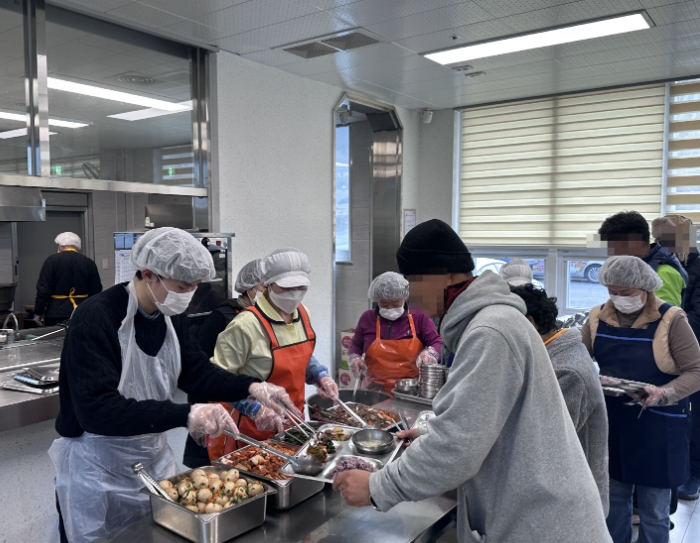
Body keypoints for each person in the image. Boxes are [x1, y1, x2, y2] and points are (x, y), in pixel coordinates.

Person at [333, 219, 611, 543]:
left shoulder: (490, 331)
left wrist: (377, 487)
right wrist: (430, 433)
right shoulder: (495, 322)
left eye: (413, 281)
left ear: (443, 274)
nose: (412, 295)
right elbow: (488, 421)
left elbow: (458, 447)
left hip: (547, 526)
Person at [48, 228, 297, 543]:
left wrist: (251, 389)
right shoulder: (96, 317)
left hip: (151, 459)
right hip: (98, 468)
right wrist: (186, 414)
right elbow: (96, 410)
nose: (188, 295)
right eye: (181, 287)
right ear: (148, 274)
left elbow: (194, 371)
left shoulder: (170, 314)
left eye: (194, 286)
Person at [580, 255, 700, 543]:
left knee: (654, 509)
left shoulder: (671, 320)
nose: (619, 299)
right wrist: (592, 378)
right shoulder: (596, 318)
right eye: (613, 292)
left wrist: (665, 393)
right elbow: (579, 361)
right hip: (614, 424)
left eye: (626, 292)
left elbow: (696, 370)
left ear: (645, 287)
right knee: (613, 501)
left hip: (659, 426)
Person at [209, 248, 339, 455]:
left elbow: (300, 357)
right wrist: (253, 408)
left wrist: (319, 374)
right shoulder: (245, 325)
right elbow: (217, 380)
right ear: (267, 283)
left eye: (301, 287)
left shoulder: (303, 314)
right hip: (254, 432)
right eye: (287, 287)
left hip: (295, 424)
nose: (295, 293)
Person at [510, 283, 609, 514]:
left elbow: (543, 443)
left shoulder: (566, 371)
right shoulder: (551, 354)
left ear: (530, 323)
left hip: (573, 503)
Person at [652, 214, 700, 501]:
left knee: (696, 413)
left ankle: (694, 471)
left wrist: (667, 332)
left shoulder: (697, 265)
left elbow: (696, 315)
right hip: (663, 350)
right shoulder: (657, 262)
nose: (661, 243)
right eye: (658, 238)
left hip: (691, 349)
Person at [348, 271, 443, 395]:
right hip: (374, 391)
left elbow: (437, 342)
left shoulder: (419, 317)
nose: (390, 308)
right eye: (384, 304)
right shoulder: (368, 318)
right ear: (377, 301)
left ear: (404, 298)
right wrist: (354, 357)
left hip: (409, 390)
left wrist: (430, 353)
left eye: (395, 303)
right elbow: (355, 345)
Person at [598, 211, 688, 306]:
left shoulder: (664, 272)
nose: (612, 255)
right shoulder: (636, 267)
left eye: (615, 247)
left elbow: (664, 314)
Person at [195, 259, 264, 358]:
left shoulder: (271, 316)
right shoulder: (222, 316)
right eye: (265, 286)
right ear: (249, 285)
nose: (269, 291)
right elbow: (203, 356)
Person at [33, 232, 103, 326]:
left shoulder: (51, 261)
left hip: (56, 312)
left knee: (56, 335)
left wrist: (38, 312)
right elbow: (96, 290)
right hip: (82, 311)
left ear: (62, 246)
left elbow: (43, 290)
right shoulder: (88, 263)